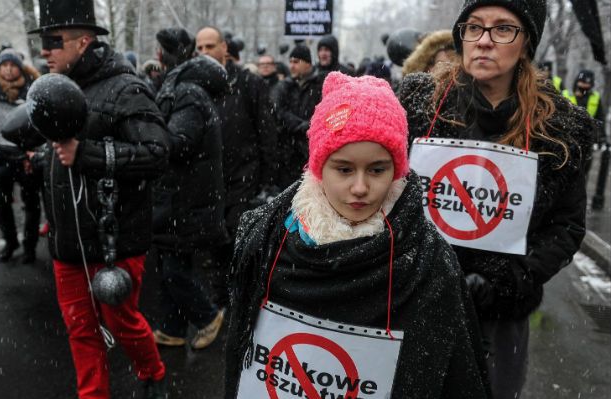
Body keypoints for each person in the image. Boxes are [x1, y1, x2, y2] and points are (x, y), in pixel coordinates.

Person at [224, 72, 489, 399]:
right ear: (320, 168)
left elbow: (456, 377)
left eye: (377, 170)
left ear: (397, 170)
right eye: (344, 169)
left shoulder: (430, 264)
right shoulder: (266, 238)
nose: (360, 188)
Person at [397, 1, 595, 398]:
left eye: (503, 29)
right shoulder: (419, 107)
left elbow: (566, 227)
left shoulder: (560, 131)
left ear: (525, 44)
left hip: (501, 319)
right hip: (415, 302)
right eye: (474, 27)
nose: (484, 42)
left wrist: (507, 282)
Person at [27, 0, 170, 397]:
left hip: (115, 243)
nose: (45, 51)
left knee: (122, 323)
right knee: (80, 331)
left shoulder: (127, 87)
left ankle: (152, 371)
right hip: (66, 243)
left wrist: (86, 154)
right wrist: (38, 159)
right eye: (42, 41)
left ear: (84, 41)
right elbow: (59, 151)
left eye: (54, 41)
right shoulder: (55, 88)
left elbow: (159, 154)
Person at [152, 27, 226, 350]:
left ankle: (209, 317)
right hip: (181, 196)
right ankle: (172, 328)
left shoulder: (186, 92)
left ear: (161, 55)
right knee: (171, 261)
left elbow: (178, 143)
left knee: (174, 267)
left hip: (185, 198)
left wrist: (151, 132)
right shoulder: (184, 87)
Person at [195, 26, 279, 307]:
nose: (204, 53)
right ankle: (221, 301)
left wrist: (267, 180)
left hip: (244, 178)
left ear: (224, 49)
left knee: (239, 242)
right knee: (216, 243)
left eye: (210, 46)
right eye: (200, 48)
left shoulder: (248, 83)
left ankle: (242, 300)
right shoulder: (197, 85)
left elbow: (267, 131)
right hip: (210, 181)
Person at [0, 48, 42, 263]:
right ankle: (10, 242)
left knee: (31, 204)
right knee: (0, 203)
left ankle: (30, 246)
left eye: (13, 65)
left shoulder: (31, 90)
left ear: (20, 68)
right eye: (4, 65)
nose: (9, 70)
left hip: (25, 156)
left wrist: (33, 150)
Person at [270, 44, 324, 189]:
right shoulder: (286, 86)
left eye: (296, 62)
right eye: (291, 62)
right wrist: (297, 124)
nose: (292, 66)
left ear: (307, 63)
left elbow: (323, 111)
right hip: (288, 151)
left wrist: (308, 125)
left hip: (309, 149)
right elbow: (278, 110)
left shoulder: (320, 85)